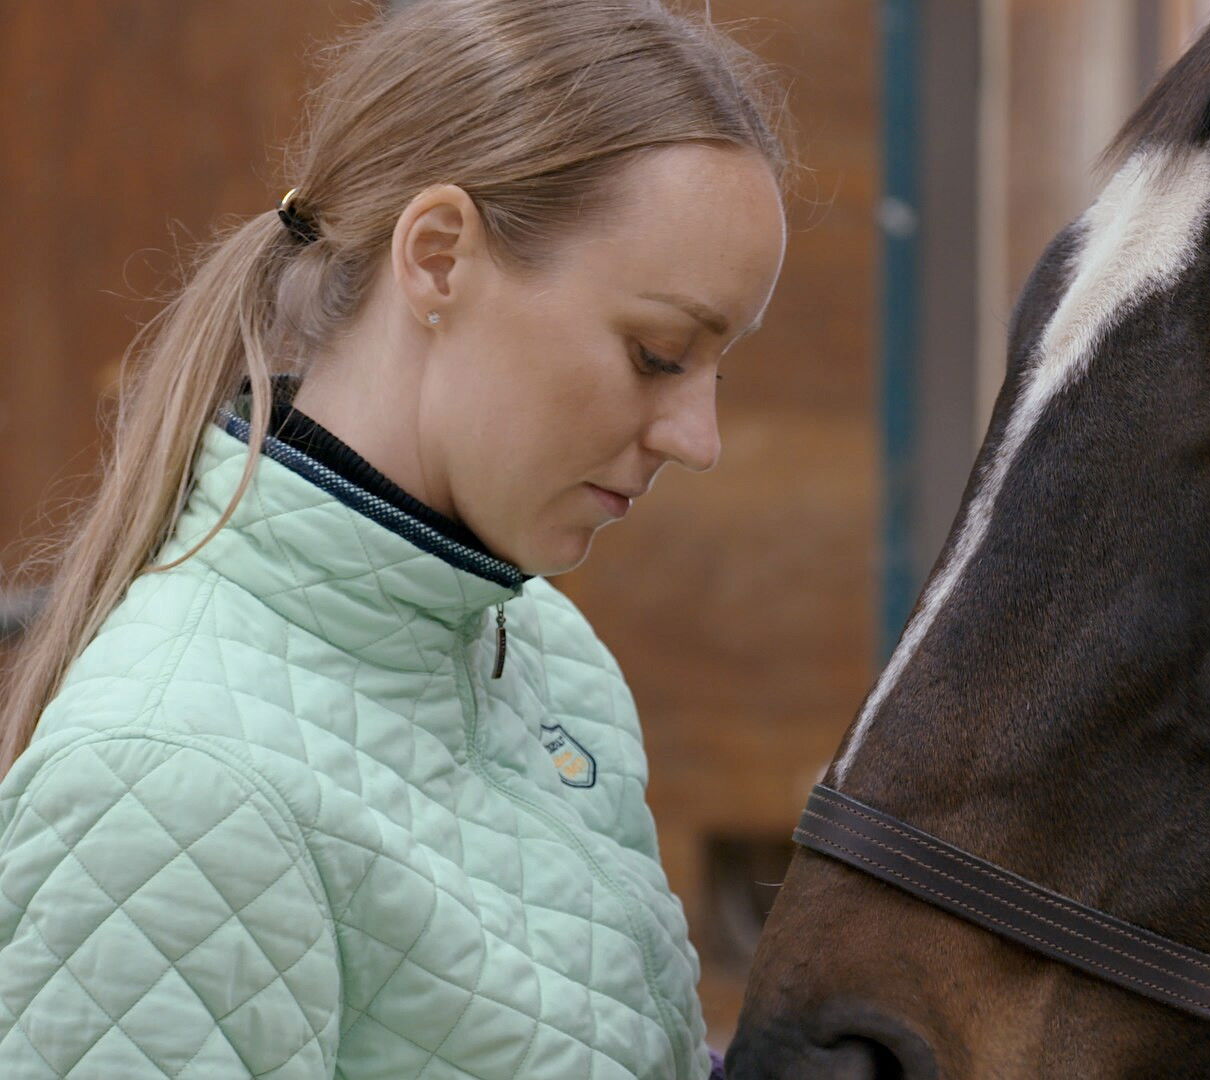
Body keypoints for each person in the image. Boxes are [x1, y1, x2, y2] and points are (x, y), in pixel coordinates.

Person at [0, 2, 787, 1076]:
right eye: (658, 354)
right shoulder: (168, 780)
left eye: (719, 369)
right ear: (438, 256)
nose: (700, 437)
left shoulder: (546, 654)